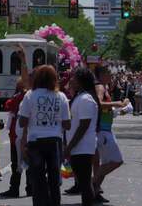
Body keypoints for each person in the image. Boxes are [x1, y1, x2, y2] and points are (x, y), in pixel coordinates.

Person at [19, 65, 71, 206]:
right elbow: (67, 125)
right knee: (54, 179)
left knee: (37, 178)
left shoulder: (30, 95)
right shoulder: (61, 97)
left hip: (35, 141)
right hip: (54, 141)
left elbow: (22, 122)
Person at [92, 66, 129, 203]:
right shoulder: (100, 87)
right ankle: (92, 183)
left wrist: (117, 110)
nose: (111, 76)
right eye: (109, 73)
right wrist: (118, 103)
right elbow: (99, 104)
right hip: (102, 131)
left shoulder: (104, 87)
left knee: (107, 162)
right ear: (102, 74)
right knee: (116, 160)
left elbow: (105, 109)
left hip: (105, 129)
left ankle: (95, 190)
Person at [64, 68, 99, 206]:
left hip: (82, 147)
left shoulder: (86, 99)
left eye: (74, 77)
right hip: (78, 147)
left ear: (80, 81)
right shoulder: (80, 97)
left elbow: (84, 125)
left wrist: (69, 146)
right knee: (83, 181)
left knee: (84, 182)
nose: (71, 80)